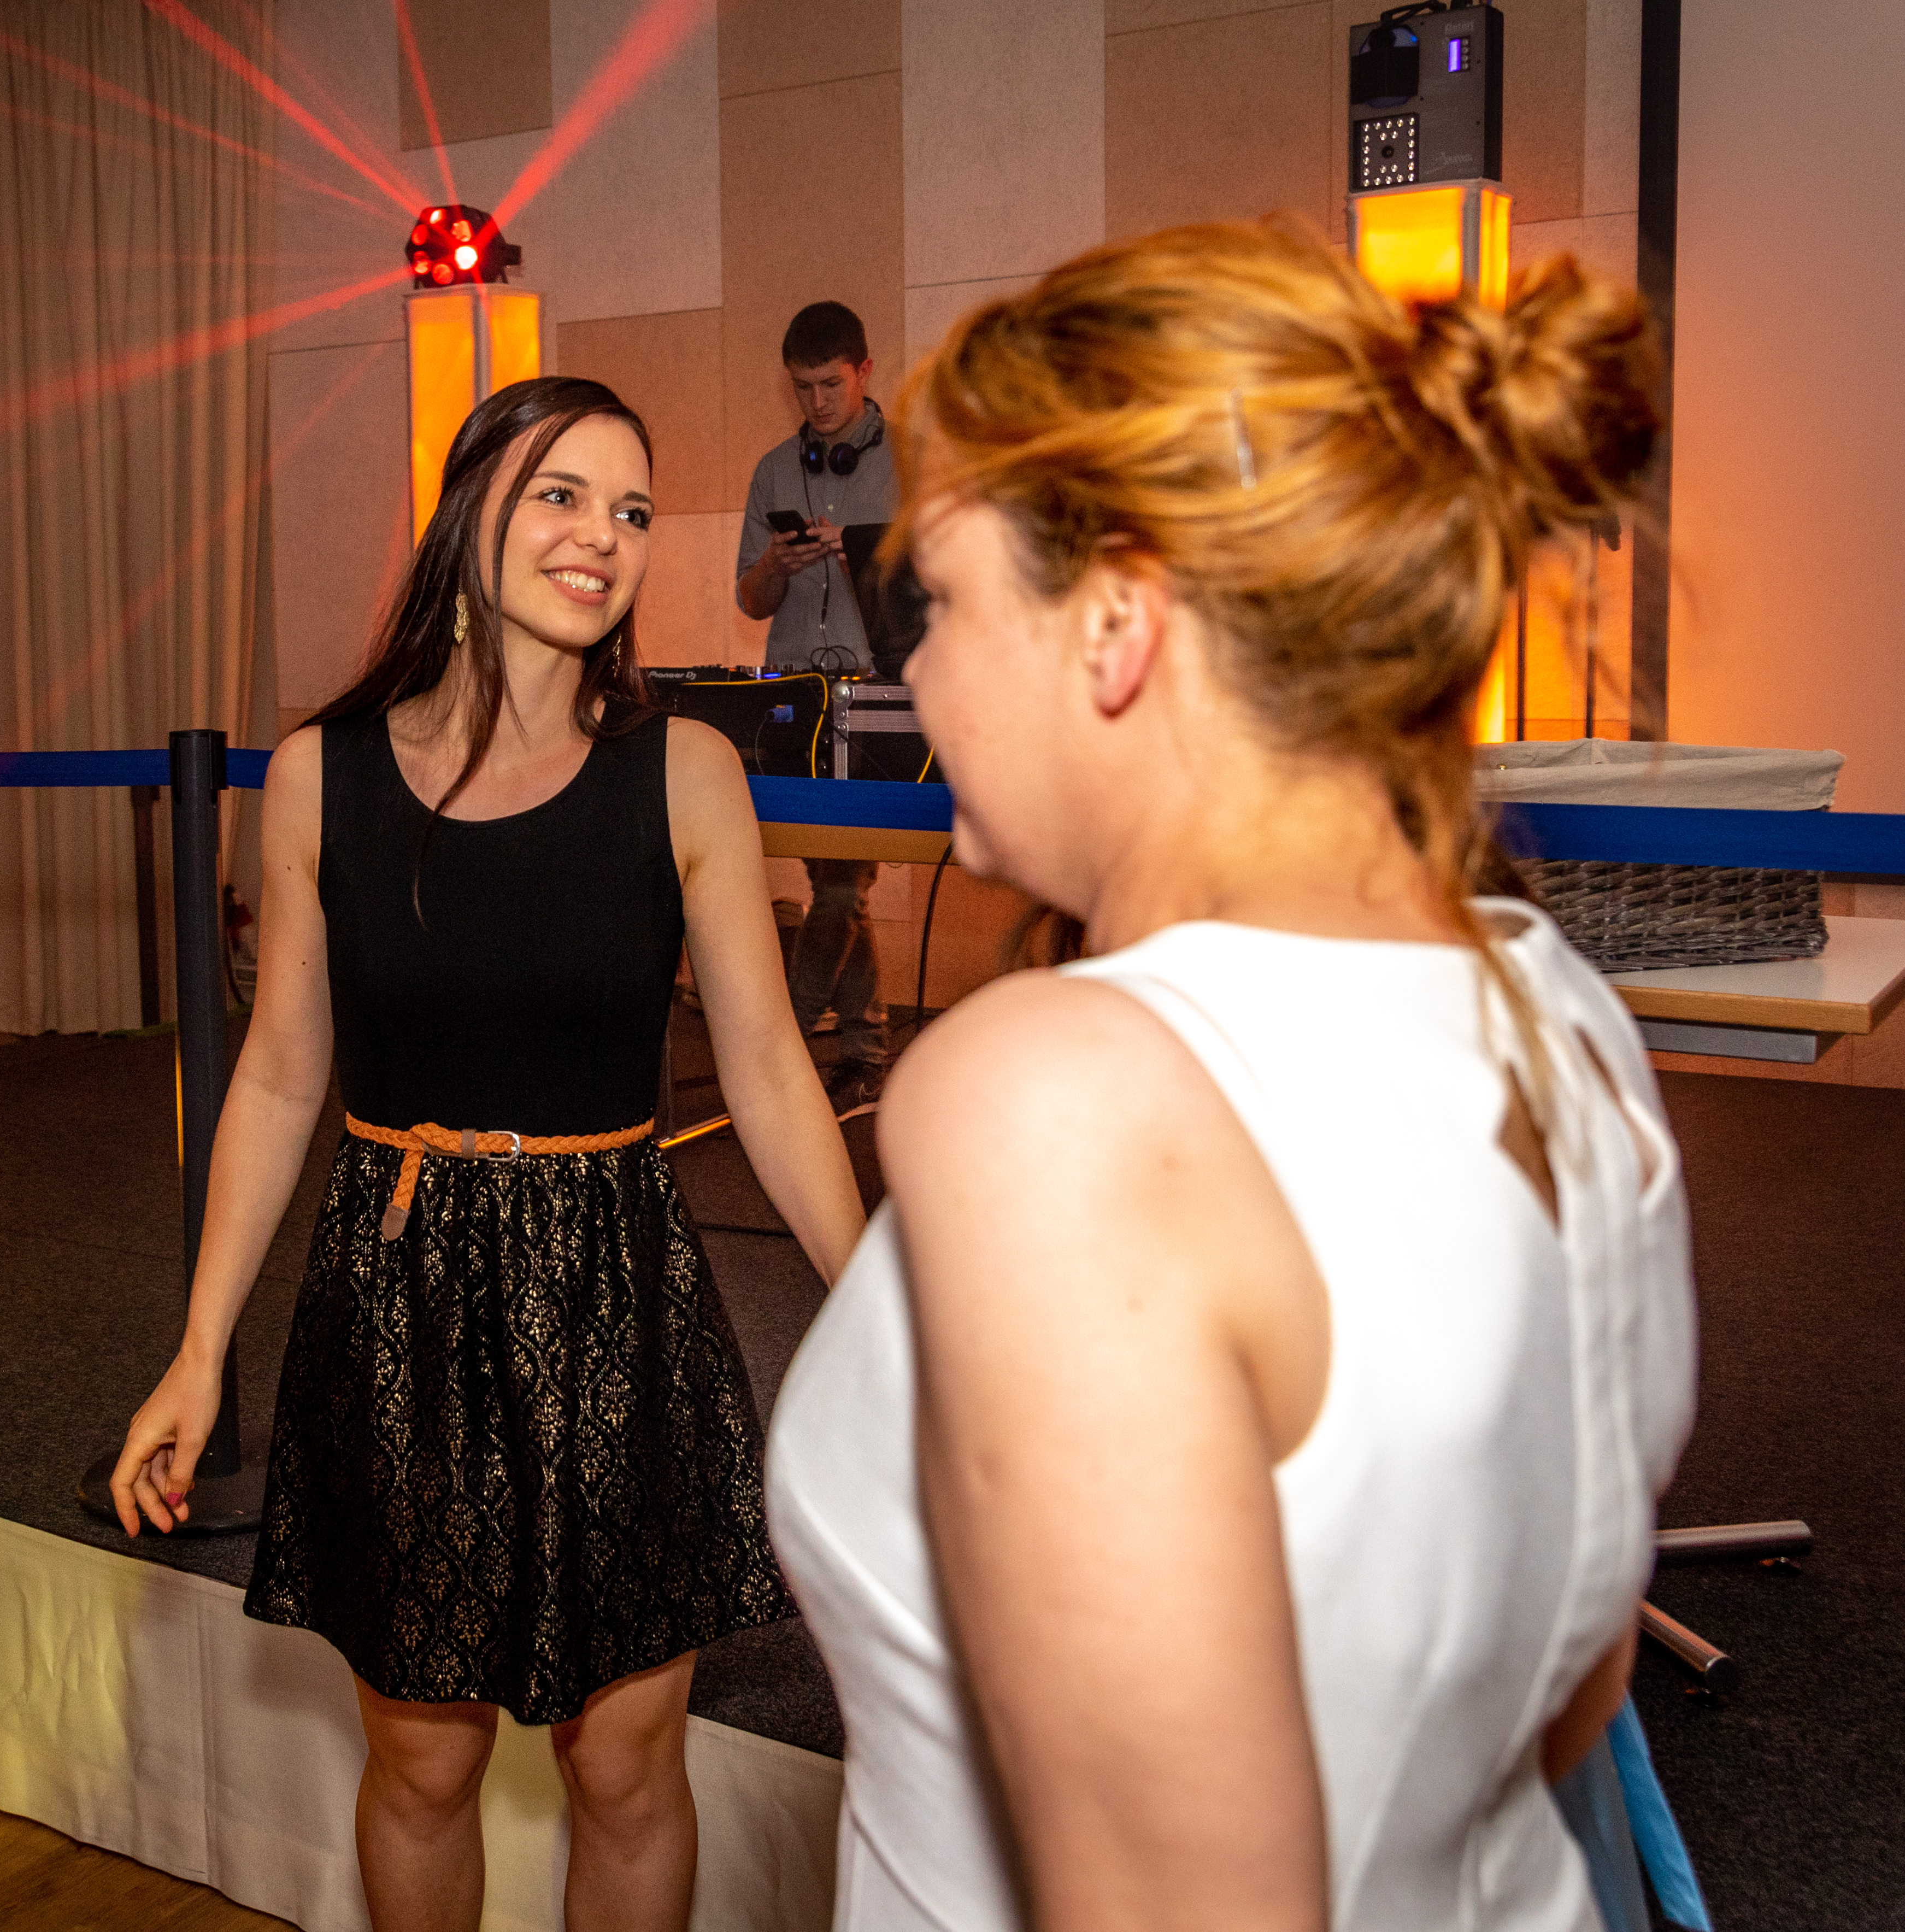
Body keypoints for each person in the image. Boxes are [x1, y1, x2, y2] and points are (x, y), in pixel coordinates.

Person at [763, 220, 1696, 1931]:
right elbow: (1552, 1700)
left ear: (1115, 623)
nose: (915, 668)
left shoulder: (1055, 1108)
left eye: (941, 598)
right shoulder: (1557, 1011)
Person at [109, 377, 866, 1932]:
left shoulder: (682, 773)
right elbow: (278, 1077)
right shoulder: (320, 774)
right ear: (467, 516)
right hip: (400, 1297)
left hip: (617, 1294)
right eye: (558, 495)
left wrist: (877, 1305)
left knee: (626, 1768)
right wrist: (197, 1351)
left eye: (630, 510)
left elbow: (769, 1072)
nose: (602, 537)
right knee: (421, 1762)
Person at [736, 300, 898, 1098]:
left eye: (830, 384)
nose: (817, 402)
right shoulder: (774, 470)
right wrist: (776, 564)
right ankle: (866, 1050)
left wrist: (860, 549)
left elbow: (944, 576)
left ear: (864, 371)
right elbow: (750, 600)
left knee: (841, 884)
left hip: (877, 690)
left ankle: (784, 1042)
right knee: (836, 882)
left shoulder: (913, 461)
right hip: (795, 691)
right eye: (802, 388)